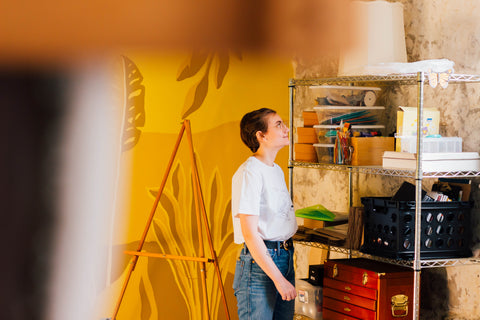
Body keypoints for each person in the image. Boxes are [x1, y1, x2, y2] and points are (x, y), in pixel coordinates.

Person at [231, 107, 298, 320]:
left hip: (285, 257)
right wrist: (279, 280)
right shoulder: (250, 172)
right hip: (260, 265)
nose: (286, 128)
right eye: (278, 125)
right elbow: (250, 234)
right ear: (261, 136)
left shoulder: (275, 169)